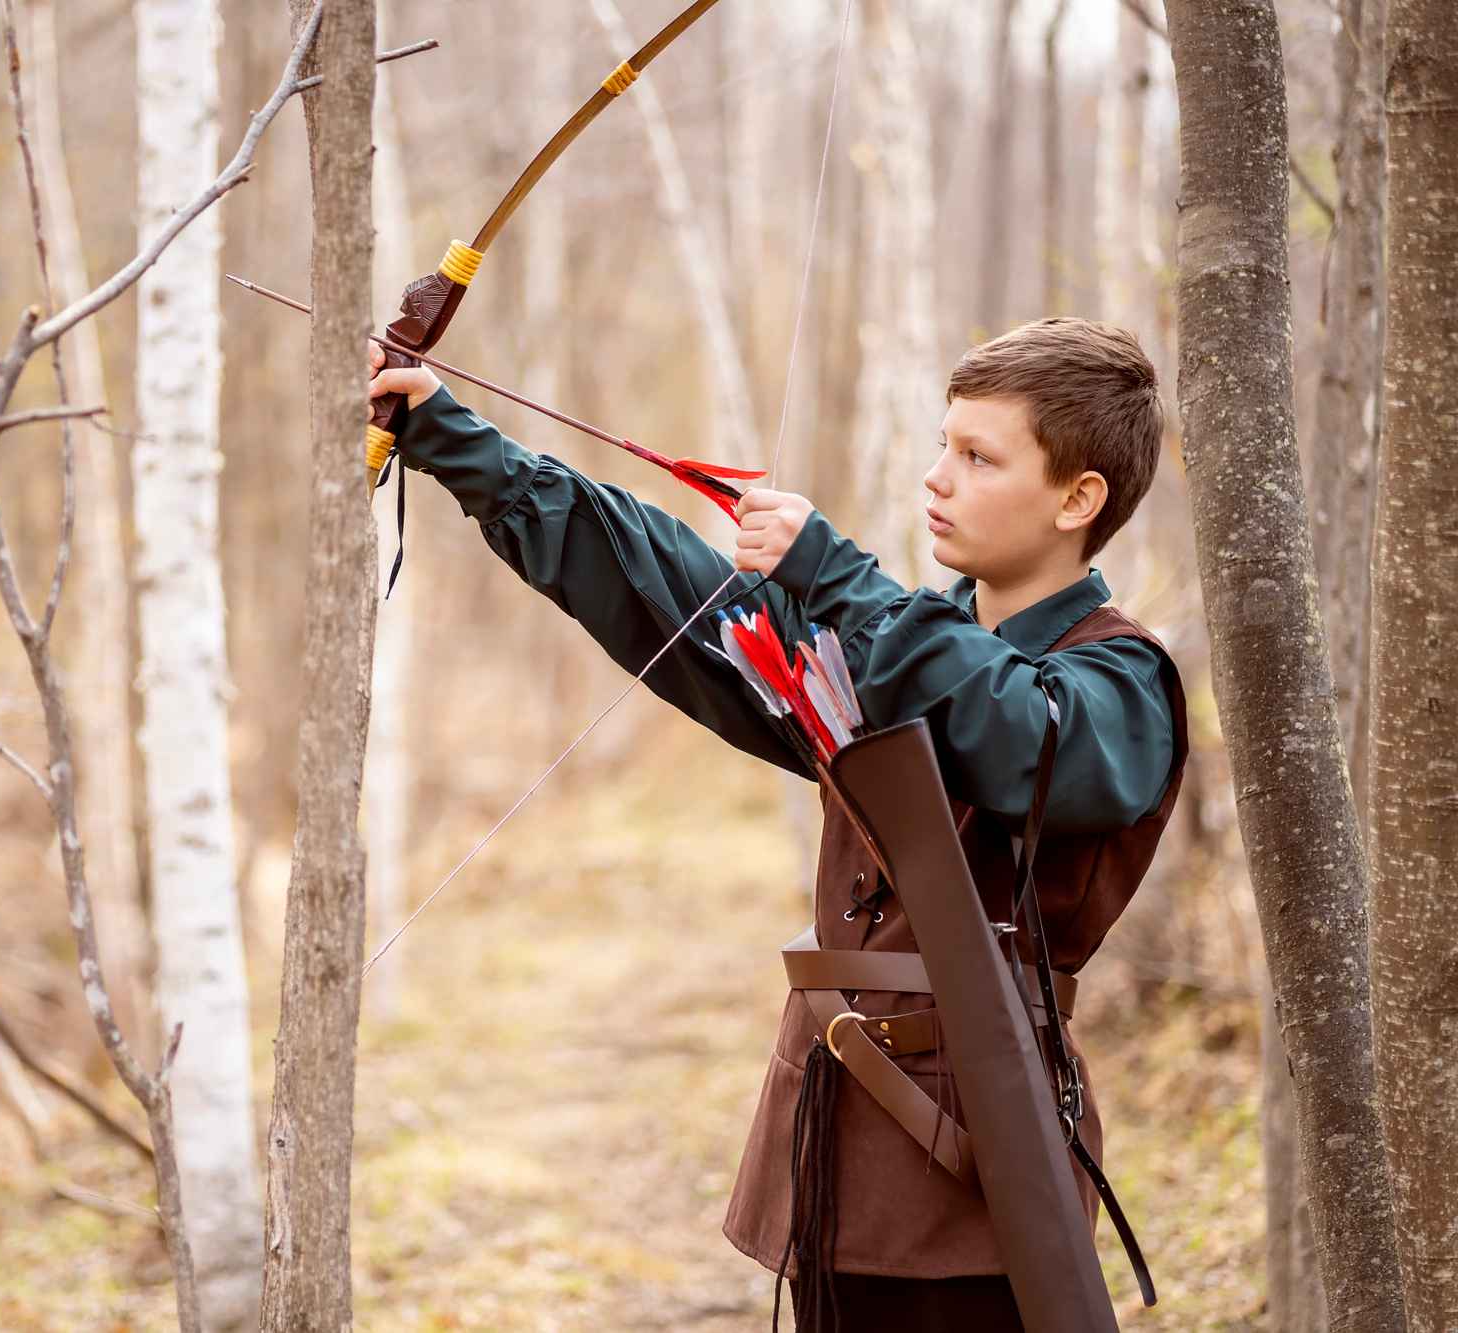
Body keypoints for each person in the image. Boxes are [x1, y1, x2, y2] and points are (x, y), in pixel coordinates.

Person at [366, 317, 1187, 1332]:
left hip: (977, 1148)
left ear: (1077, 498)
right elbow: (665, 583)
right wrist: (451, 437)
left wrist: (838, 579)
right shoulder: (899, 640)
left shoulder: (1119, 678)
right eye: (942, 444)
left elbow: (1020, 734)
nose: (936, 477)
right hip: (832, 1132)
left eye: (976, 456)